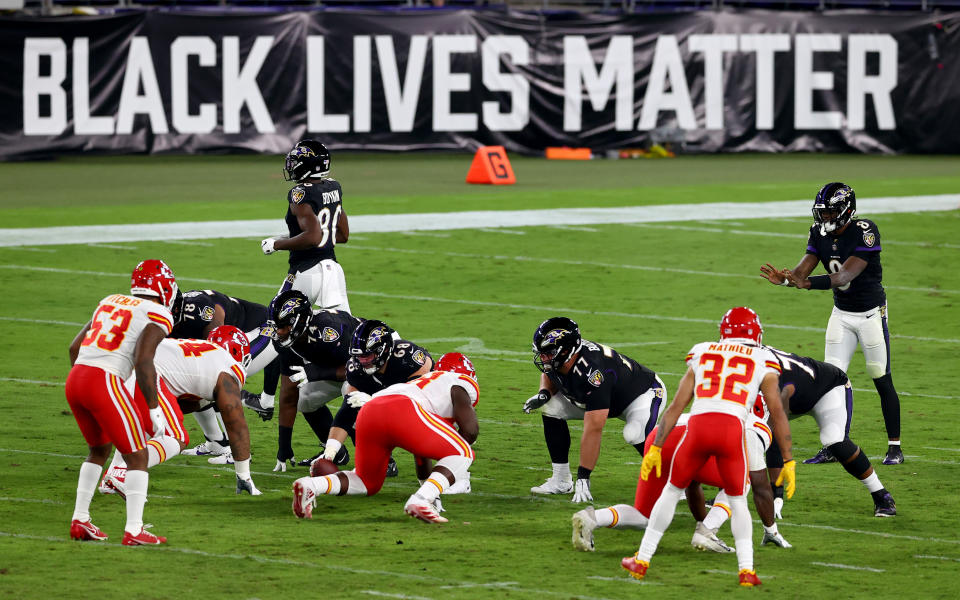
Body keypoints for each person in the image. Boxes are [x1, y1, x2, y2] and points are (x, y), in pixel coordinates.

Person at [621, 307, 796, 587]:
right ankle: (746, 570)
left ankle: (641, 560)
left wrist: (656, 446)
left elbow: (677, 406)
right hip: (732, 432)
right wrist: (788, 459)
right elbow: (777, 412)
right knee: (738, 501)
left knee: (671, 491)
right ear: (755, 332)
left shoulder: (702, 351)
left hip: (699, 429)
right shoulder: (763, 358)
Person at [761, 182, 905, 465]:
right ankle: (835, 444)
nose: (825, 218)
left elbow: (844, 276)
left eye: (830, 212)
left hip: (870, 315)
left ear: (846, 210)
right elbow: (804, 269)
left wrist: (805, 283)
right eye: (822, 212)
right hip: (841, 315)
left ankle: (895, 447)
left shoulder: (865, 231)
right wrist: (788, 279)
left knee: (881, 377)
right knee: (832, 381)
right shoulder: (818, 232)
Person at [572, 395, 790, 554]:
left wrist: (702, 520)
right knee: (742, 481)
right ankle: (707, 531)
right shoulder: (757, 426)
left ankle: (592, 518)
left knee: (644, 515)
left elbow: (692, 483)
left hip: (662, 435)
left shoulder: (719, 399)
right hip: (689, 439)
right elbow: (761, 486)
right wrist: (771, 530)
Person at [65, 259, 178, 546]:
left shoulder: (109, 300)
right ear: (164, 286)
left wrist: (86, 379)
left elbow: (74, 347)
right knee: (137, 456)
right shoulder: (160, 312)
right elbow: (143, 360)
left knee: (99, 449)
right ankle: (135, 530)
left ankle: (80, 520)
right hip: (103, 381)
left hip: (76, 378)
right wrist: (153, 408)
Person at [291, 353, 478, 523]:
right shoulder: (457, 382)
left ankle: (311, 485)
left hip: (370, 409)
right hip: (401, 408)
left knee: (366, 481)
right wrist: (442, 477)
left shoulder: (428, 387)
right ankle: (420, 501)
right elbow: (470, 431)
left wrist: (432, 492)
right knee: (463, 451)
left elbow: (421, 454)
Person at [99, 326, 261, 496]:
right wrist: (244, 474)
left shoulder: (203, 353)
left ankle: (112, 477)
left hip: (118, 364)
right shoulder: (228, 369)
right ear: (244, 358)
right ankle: (124, 471)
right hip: (146, 371)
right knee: (177, 437)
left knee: (147, 424)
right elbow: (236, 424)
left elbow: (182, 402)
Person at [523, 317, 664, 503]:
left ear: (567, 350)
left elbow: (594, 428)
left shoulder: (593, 373)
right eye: (541, 354)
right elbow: (549, 372)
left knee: (634, 434)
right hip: (607, 398)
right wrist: (544, 394)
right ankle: (561, 480)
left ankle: (673, 482)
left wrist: (584, 476)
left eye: (548, 353)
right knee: (552, 408)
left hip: (641, 395)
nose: (543, 359)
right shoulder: (562, 357)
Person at [767, 347, 896, 517]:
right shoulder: (743, 359)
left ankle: (882, 495)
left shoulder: (761, 370)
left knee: (835, 441)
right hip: (791, 397)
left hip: (826, 387)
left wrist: (777, 493)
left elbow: (774, 430)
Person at [168, 289, 279, 464]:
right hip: (230, 341)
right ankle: (216, 443)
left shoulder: (195, 308)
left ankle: (238, 453)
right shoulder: (161, 318)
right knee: (191, 381)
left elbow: (217, 330)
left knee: (216, 381)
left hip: (258, 332)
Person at [316, 319, 433, 478]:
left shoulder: (408, 358)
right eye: (359, 356)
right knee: (358, 412)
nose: (362, 361)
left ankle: (453, 474)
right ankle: (382, 462)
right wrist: (330, 452)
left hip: (429, 401)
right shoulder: (356, 367)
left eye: (367, 355)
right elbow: (346, 413)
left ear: (384, 350)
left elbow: (418, 398)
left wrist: (377, 401)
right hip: (392, 400)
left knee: (425, 439)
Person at [265, 290, 361, 471]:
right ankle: (334, 451)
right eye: (276, 325)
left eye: (283, 325)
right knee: (305, 400)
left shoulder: (329, 331)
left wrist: (314, 372)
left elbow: (357, 370)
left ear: (300, 321)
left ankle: (383, 462)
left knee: (353, 397)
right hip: (338, 368)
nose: (278, 331)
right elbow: (288, 393)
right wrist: (284, 444)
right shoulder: (285, 341)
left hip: (370, 364)